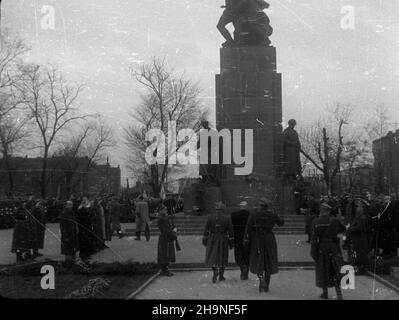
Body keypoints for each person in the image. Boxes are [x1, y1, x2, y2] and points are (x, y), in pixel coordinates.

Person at [244, 197, 284, 292]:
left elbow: (248, 227)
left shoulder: (254, 214)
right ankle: (267, 286)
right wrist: (277, 214)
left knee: (259, 260)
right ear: (267, 206)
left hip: (257, 239)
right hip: (269, 239)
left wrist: (246, 238)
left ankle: (261, 279)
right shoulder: (272, 214)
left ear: (261, 206)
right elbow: (281, 223)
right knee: (268, 262)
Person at [311, 203, 346, 300]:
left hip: (322, 248)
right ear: (329, 211)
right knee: (335, 270)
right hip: (334, 248)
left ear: (321, 211)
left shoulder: (316, 221)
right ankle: (339, 294)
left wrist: (313, 252)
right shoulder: (334, 221)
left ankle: (325, 293)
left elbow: (314, 239)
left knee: (323, 270)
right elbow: (342, 229)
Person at [203, 202, 234, 283]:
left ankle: (215, 270)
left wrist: (205, 239)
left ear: (215, 209)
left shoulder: (210, 217)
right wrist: (231, 242)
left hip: (212, 238)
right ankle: (221, 275)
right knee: (223, 256)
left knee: (211, 256)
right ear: (223, 209)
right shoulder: (227, 218)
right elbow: (230, 231)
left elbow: (206, 229)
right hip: (223, 238)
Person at [347, 198, 370, 275]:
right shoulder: (358, 217)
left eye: (358, 210)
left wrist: (350, 229)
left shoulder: (362, 218)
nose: (356, 211)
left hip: (360, 239)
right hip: (357, 239)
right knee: (357, 254)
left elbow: (358, 228)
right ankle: (359, 268)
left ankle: (361, 269)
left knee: (360, 255)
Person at [231, 201, 250, 280]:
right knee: (247, 256)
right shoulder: (250, 215)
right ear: (246, 207)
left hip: (237, 237)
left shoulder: (234, 215)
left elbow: (231, 226)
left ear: (240, 207)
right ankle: (245, 274)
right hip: (247, 238)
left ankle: (243, 268)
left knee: (238, 256)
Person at [157, 205, 177, 276]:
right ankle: (164, 270)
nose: (166, 210)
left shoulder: (163, 218)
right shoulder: (162, 219)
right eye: (164, 209)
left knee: (165, 253)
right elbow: (167, 230)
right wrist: (174, 232)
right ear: (160, 210)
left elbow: (167, 227)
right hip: (165, 238)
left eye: (166, 209)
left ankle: (165, 269)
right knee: (165, 254)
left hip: (165, 237)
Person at [59, 200, 78, 267]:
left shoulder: (71, 212)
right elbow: (62, 226)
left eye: (71, 205)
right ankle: (68, 263)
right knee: (68, 250)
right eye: (70, 205)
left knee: (72, 249)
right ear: (67, 205)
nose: (71, 206)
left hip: (72, 234)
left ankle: (72, 262)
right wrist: (65, 235)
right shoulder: (64, 213)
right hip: (67, 235)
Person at [76, 197, 94, 263]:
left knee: (88, 241)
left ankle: (87, 254)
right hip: (83, 229)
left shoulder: (87, 209)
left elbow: (89, 218)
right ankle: (83, 255)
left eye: (86, 202)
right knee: (83, 242)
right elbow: (79, 220)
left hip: (88, 228)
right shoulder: (80, 210)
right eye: (84, 202)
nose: (85, 203)